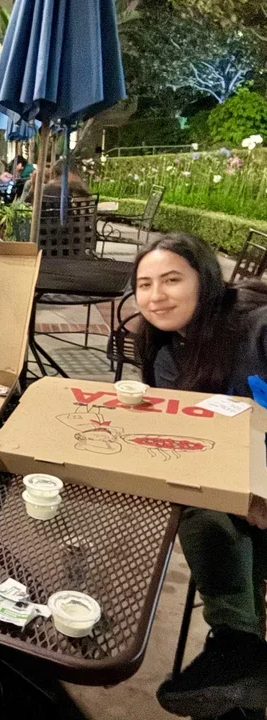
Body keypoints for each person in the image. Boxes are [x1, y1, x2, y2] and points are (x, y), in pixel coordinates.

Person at [131, 234, 267, 719]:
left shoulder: (257, 327)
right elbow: (191, 443)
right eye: (144, 284)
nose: (156, 296)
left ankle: (238, 653)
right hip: (242, 496)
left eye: (171, 280)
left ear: (205, 280)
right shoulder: (167, 353)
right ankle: (240, 656)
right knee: (202, 505)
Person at [24, 157, 91, 200]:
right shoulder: (82, 188)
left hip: (53, 218)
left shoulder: (50, 189)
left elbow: (29, 202)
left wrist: (34, 184)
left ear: (55, 172)